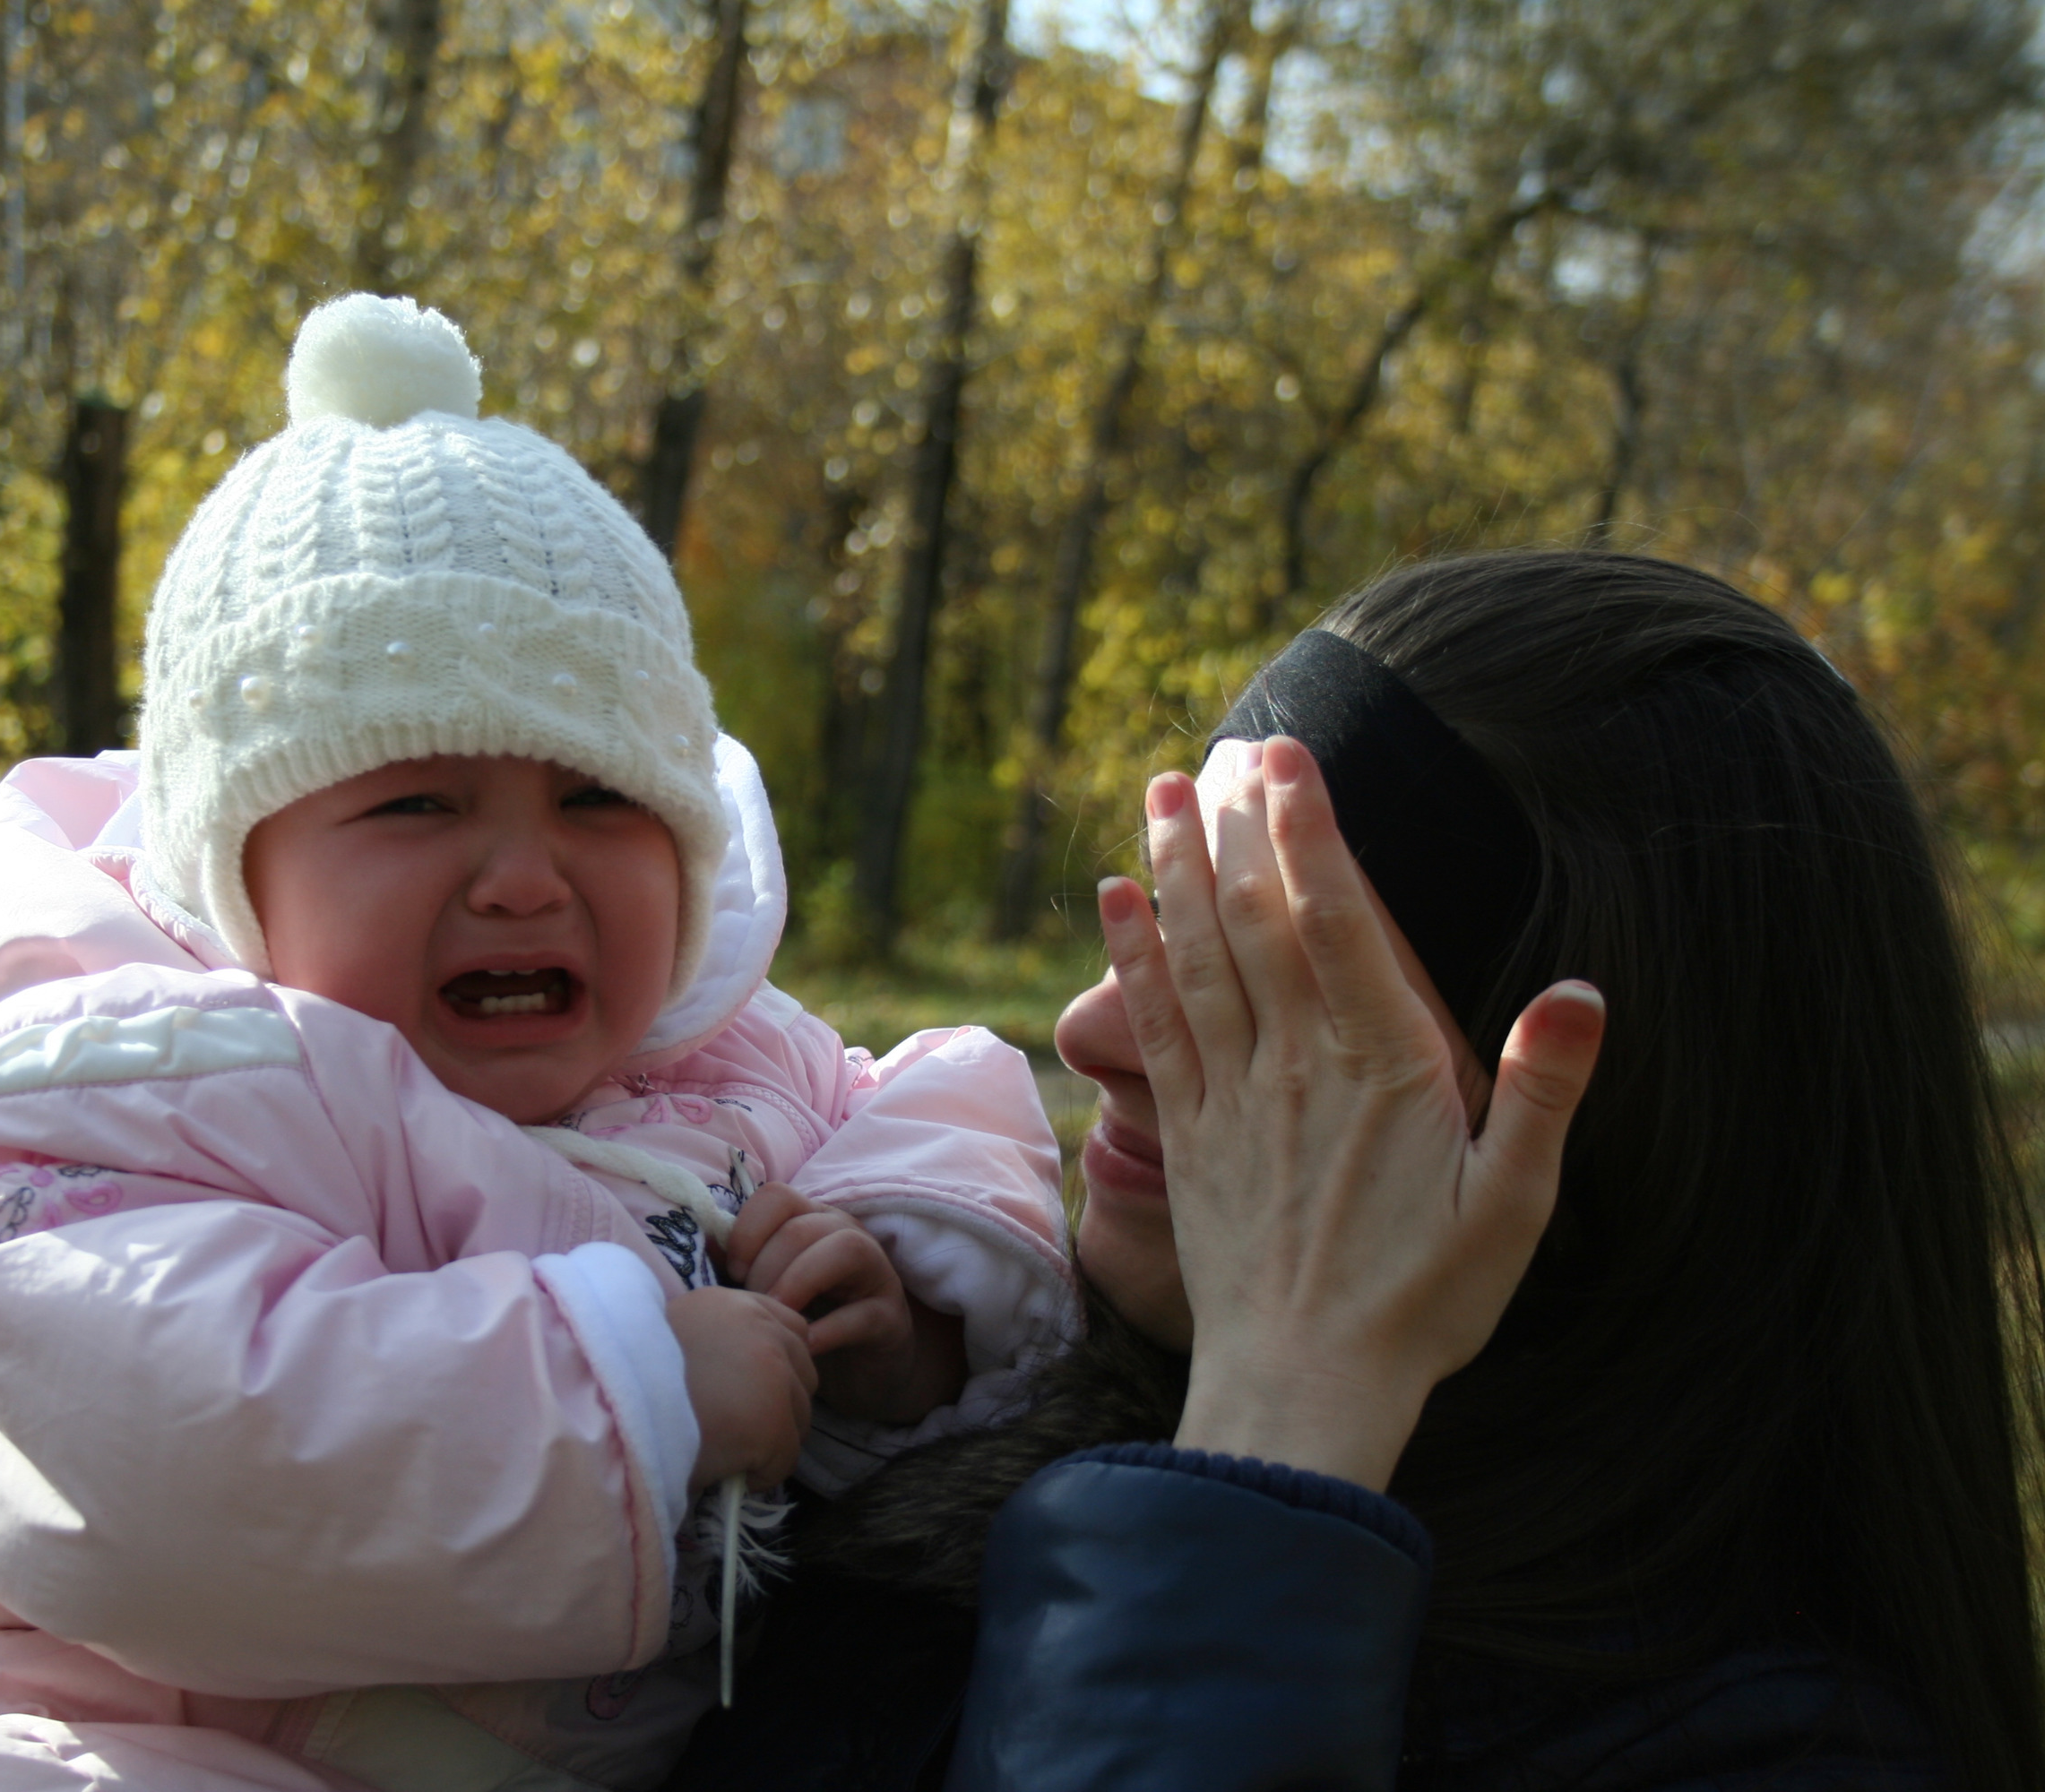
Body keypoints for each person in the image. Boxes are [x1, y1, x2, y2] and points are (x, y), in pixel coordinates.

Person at [0, 295, 1075, 1792]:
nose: (524, 874)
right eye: (413, 804)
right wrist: (639, 1389)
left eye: (598, 801)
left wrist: (892, 1331)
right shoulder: (117, 1098)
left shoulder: (731, 1067)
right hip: (109, 1733)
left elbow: (951, 1117)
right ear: (230, 873)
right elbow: (180, 1463)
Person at [667, 550, 2045, 1790]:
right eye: (1164, 930)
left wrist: (1285, 1420)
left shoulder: (1773, 1753)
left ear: (1619, 1134)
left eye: (1254, 991)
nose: (1091, 1033)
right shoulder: (923, 1412)